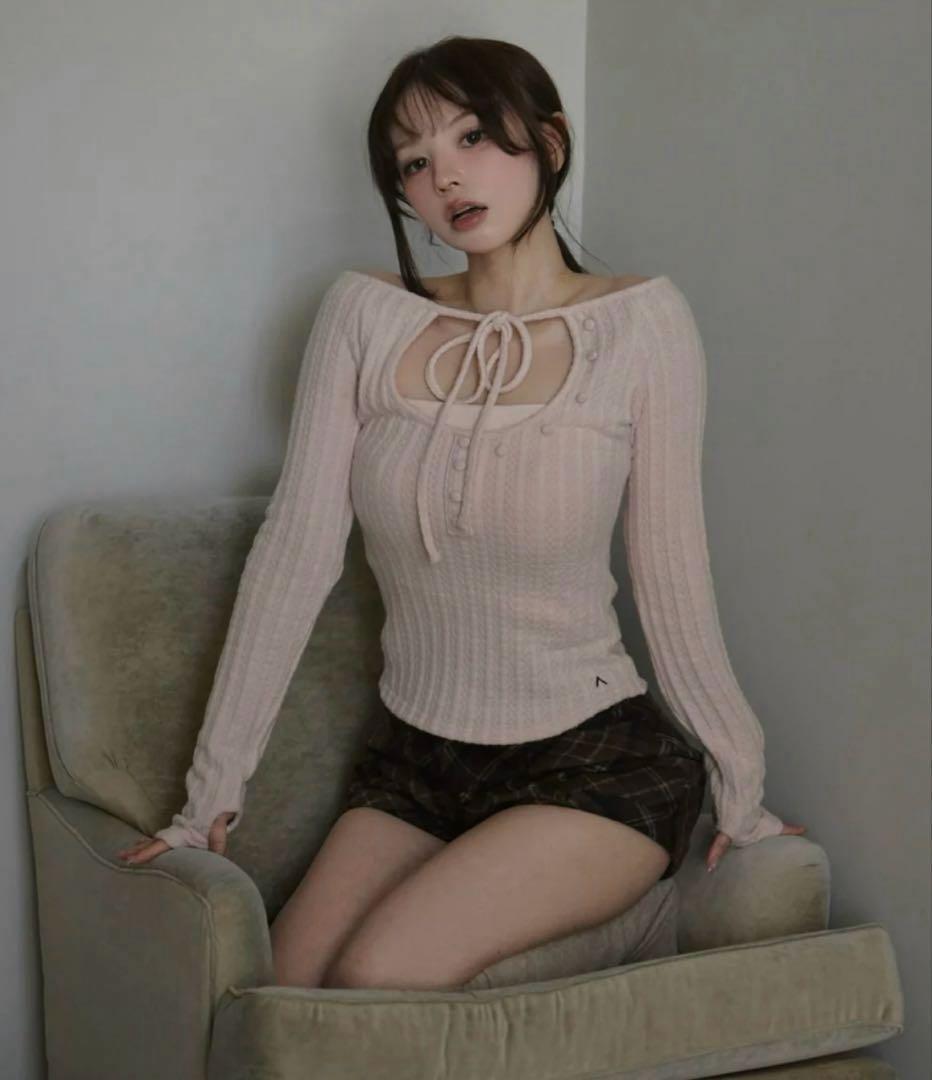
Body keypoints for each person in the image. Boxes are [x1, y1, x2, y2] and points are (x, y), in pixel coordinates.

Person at [116, 35, 805, 991]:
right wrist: (208, 801)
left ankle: (638, 903)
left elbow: (673, 577)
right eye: (414, 160)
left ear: (549, 142)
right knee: (281, 992)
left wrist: (741, 786)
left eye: (472, 136)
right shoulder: (363, 314)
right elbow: (296, 554)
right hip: (418, 759)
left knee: (376, 974)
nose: (445, 174)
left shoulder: (643, 326)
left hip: (592, 761)